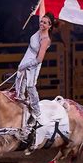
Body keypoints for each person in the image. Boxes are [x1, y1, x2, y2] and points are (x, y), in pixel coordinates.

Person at [14, 12, 58, 154]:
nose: (42, 23)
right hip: (25, 61)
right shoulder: (39, 29)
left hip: (32, 65)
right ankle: (20, 110)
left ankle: (36, 115)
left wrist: (25, 66)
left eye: (45, 22)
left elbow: (39, 59)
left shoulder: (45, 39)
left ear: (49, 26)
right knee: (19, 87)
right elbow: (42, 9)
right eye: (42, 21)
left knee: (30, 87)